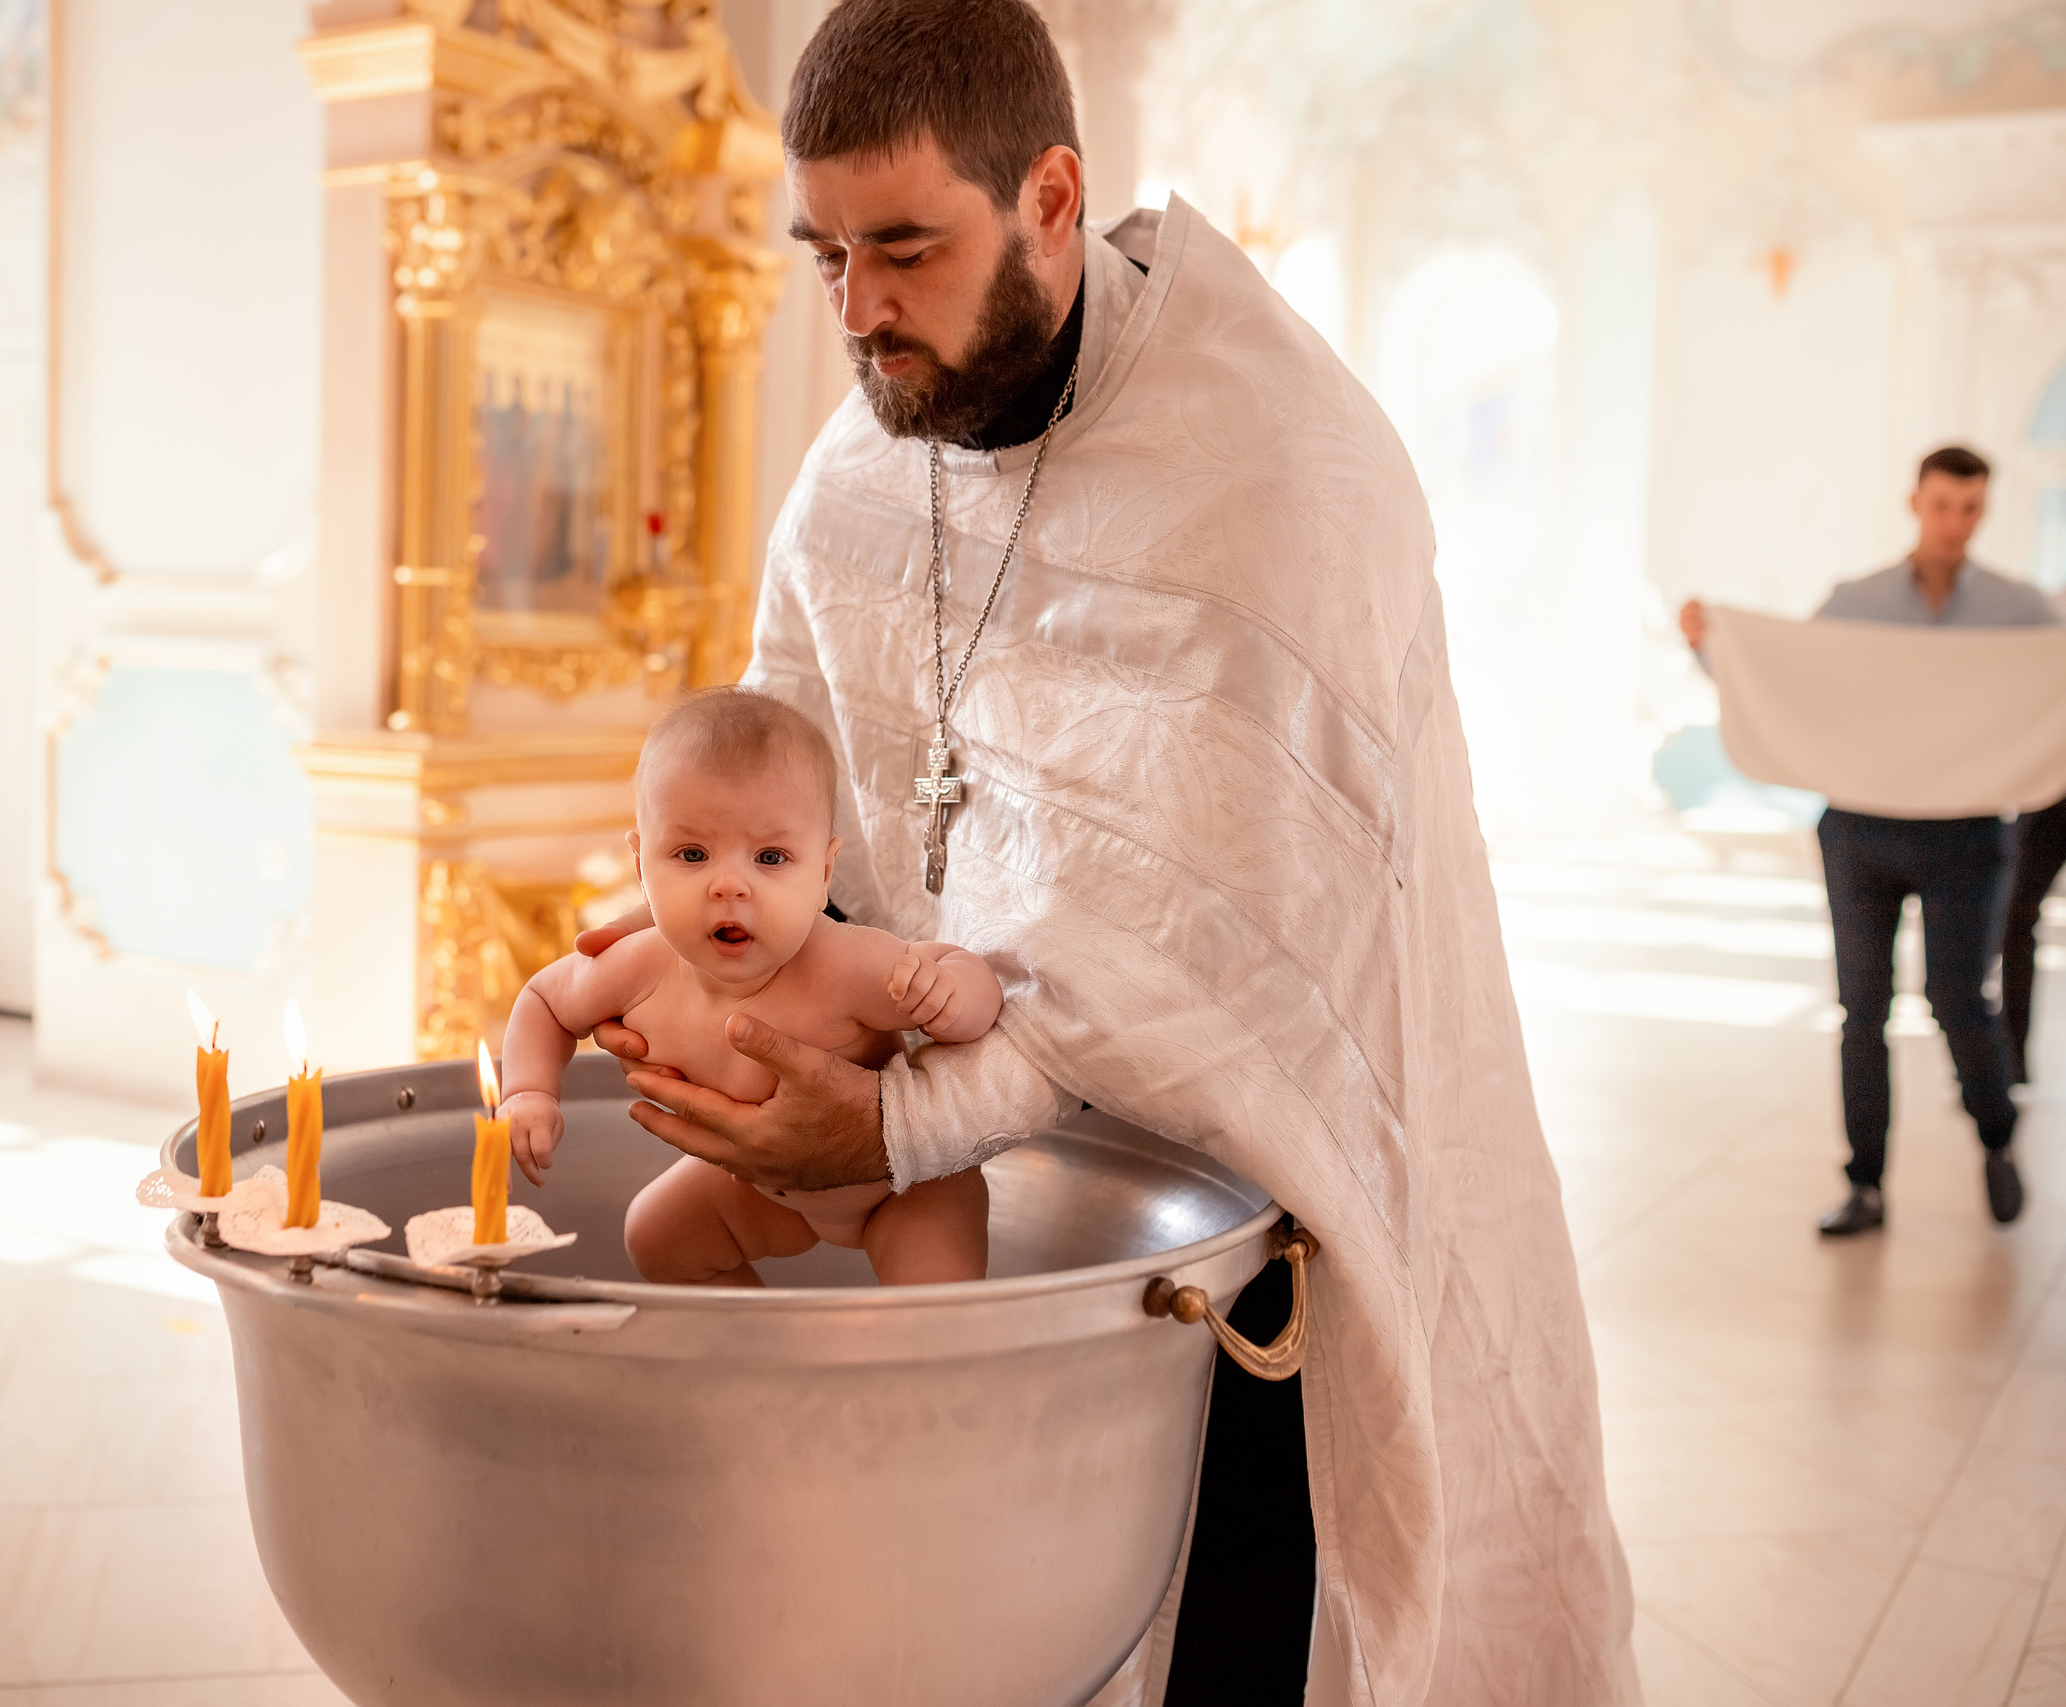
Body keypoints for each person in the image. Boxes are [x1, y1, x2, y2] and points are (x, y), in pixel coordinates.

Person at [574, 2, 1637, 1701]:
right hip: (973, 1205)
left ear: (1053, 199)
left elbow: (1242, 949)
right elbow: (798, 786)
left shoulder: (1288, 472)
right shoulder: (865, 461)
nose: (858, 311)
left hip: (1240, 1235)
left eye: (907, 248)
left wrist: (907, 1109)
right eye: (824, 255)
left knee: (1223, 1629)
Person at [497, 689, 1000, 1286]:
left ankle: (902, 1370)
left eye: (769, 856)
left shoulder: (848, 965)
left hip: (906, 1191)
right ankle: (760, 1351)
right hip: (764, 1189)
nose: (729, 885)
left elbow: (970, 978)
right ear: (640, 867)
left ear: (823, 874)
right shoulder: (635, 968)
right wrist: (528, 1092)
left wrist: (952, 998)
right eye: (692, 853)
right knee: (656, 1235)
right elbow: (544, 1001)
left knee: (931, 1316)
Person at [1680, 445, 2056, 1235]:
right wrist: (1708, 645)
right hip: (1860, 832)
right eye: (1943, 504)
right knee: (1863, 1009)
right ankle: (1866, 1182)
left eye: (1972, 508)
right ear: (1915, 502)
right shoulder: (1855, 603)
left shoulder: (2021, 614)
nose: (1956, 522)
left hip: (1968, 834)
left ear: (1984, 512)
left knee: (1959, 1001)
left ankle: (1996, 1137)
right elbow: (1788, 680)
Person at [2001, 791, 2066, 1086]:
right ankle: (2009, 1060)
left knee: (2014, 925)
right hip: (2048, 796)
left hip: (2048, 796)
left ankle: (2008, 1061)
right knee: (2013, 923)